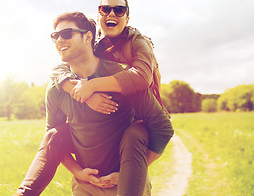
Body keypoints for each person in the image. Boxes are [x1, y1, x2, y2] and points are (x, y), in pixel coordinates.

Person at [15, 12, 174, 196]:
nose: (59, 40)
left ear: (88, 36)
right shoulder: (57, 89)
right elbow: (54, 142)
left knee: (135, 133)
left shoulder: (119, 77)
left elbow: (163, 128)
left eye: (66, 34)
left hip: (127, 186)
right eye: (55, 36)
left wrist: (128, 172)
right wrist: (78, 173)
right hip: (85, 187)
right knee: (53, 134)